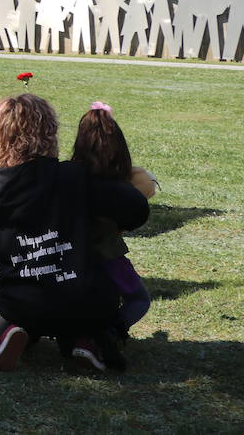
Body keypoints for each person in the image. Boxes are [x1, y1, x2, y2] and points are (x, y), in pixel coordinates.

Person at [0, 94, 149, 373]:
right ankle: (87, 340)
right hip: (86, 302)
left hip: (24, 304)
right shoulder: (76, 177)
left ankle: (15, 332)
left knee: (6, 321)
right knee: (88, 316)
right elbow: (137, 207)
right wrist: (108, 222)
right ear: (50, 132)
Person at [71, 102, 157, 340]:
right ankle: (110, 331)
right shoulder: (126, 186)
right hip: (110, 258)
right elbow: (136, 214)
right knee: (139, 300)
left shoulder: (69, 178)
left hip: (69, 258)